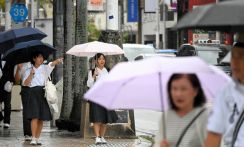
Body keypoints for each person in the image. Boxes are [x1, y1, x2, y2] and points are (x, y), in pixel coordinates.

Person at [205, 34, 244, 147]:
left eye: (241, 56)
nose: (235, 63)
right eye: (233, 56)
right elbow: (213, 136)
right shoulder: (225, 92)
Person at [154, 74, 209, 147]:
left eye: (183, 89)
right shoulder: (166, 116)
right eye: (174, 88)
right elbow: (158, 142)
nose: (178, 94)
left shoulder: (205, 116)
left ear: (195, 91)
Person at [22, 51, 63, 145]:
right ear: (34, 59)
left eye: (42, 57)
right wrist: (31, 74)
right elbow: (25, 83)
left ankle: (37, 138)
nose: (41, 59)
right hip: (33, 93)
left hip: (42, 93)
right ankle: (33, 137)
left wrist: (58, 61)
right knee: (34, 116)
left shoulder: (45, 68)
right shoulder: (28, 70)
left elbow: (52, 64)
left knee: (41, 118)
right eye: (39, 57)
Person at [87, 53, 118, 145]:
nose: (102, 61)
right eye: (99, 59)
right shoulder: (92, 71)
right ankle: (97, 137)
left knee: (105, 119)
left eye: (103, 59)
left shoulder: (107, 70)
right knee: (97, 118)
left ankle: (102, 136)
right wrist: (93, 77)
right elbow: (89, 85)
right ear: (96, 61)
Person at [15, 62, 32, 141]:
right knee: (26, 112)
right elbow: (17, 80)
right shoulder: (21, 64)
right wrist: (18, 69)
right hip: (26, 89)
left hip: (36, 88)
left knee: (35, 111)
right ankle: (28, 133)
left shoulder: (36, 63)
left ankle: (35, 132)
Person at [0, 61, 15, 129]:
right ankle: (0, 118)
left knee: (7, 104)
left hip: (7, 85)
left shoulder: (10, 59)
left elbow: (12, 73)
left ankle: (7, 121)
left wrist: (11, 82)